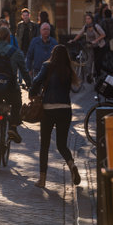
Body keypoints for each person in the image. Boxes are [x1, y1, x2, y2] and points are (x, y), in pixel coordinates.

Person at [30, 44, 81, 188]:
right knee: (61, 144)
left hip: (48, 109)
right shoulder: (68, 69)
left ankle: (42, 179)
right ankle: (71, 165)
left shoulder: (47, 66)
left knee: (44, 145)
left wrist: (32, 93)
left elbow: (36, 81)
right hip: (65, 109)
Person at [0, 27, 32, 144]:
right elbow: (24, 71)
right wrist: (30, 86)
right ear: (8, 37)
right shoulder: (16, 52)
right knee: (17, 102)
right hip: (10, 89)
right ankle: (13, 127)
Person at [68, 12, 106, 82]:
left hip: (99, 46)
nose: (87, 20)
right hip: (91, 45)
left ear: (92, 19)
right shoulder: (86, 27)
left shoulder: (96, 26)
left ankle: (98, 76)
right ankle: (89, 75)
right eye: (86, 19)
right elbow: (79, 34)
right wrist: (73, 40)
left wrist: (95, 40)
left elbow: (103, 34)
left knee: (97, 62)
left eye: (89, 19)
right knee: (89, 60)